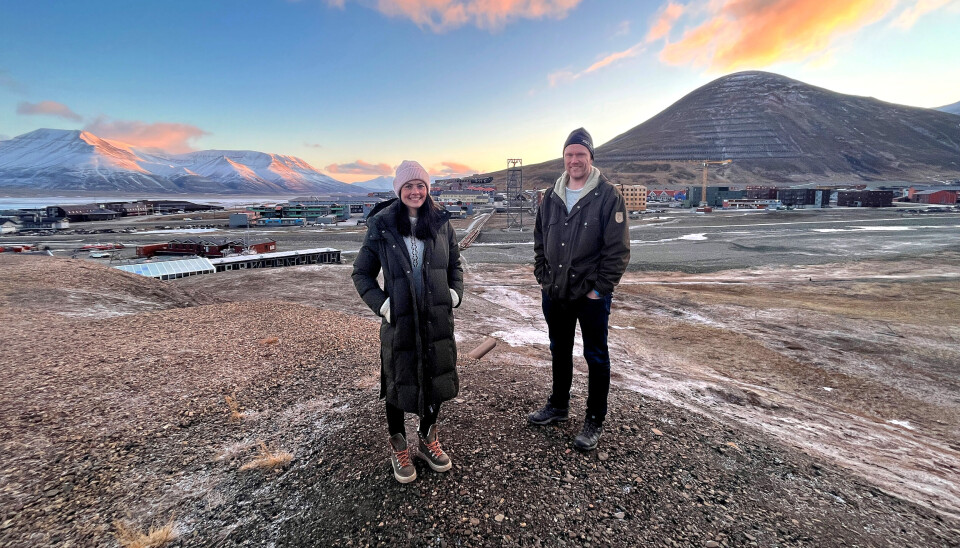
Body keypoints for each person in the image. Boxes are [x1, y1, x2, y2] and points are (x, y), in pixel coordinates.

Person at [352, 160, 464, 483]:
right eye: (408, 186)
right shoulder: (383, 224)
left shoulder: (441, 223)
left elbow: (455, 263)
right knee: (398, 380)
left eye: (420, 186)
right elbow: (361, 273)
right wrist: (384, 306)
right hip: (399, 319)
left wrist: (454, 294)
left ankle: (428, 438)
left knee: (436, 375)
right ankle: (399, 443)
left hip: (435, 318)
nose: (415, 192)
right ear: (398, 190)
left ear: (428, 189)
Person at [528, 128, 631, 451]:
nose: (574, 160)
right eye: (570, 155)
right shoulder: (551, 196)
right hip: (555, 292)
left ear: (590, 158)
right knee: (559, 350)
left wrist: (598, 291)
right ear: (564, 158)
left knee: (596, 356)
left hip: (590, 297)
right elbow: (540, 241)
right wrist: (543, 277)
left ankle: (594, 419)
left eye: (580, 155)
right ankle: (558, 406)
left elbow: (618, 251)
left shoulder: (608, 195)